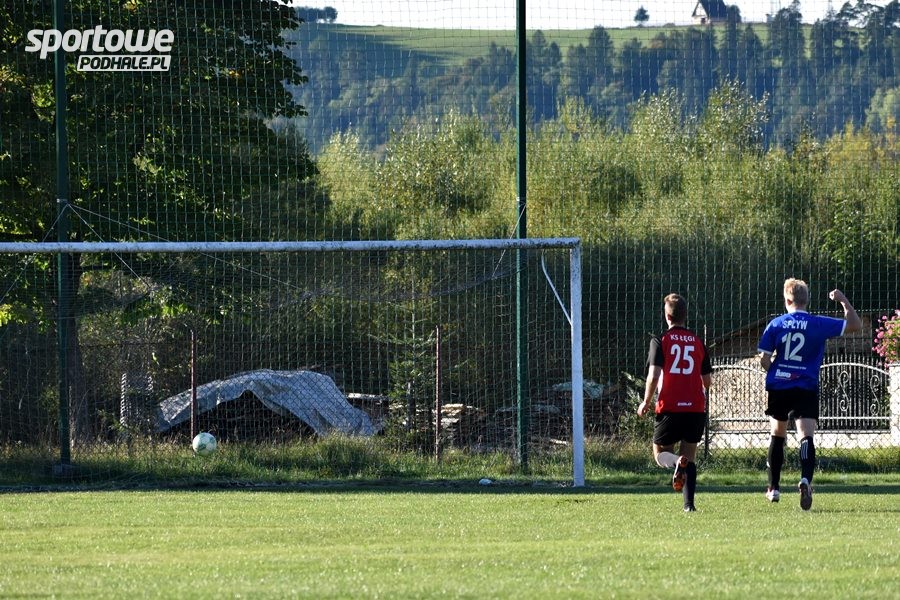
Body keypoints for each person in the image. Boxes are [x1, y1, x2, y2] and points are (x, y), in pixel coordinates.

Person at [757, 279, 861, 510]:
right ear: (807, 300)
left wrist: (776, 372)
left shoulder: (776, 324)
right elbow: (855, 325)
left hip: (779, 386)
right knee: (806, 436)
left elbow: (764, 359)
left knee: (777, 434)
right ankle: (805, 480)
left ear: (787, 300)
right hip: (805, 386)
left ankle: (773, 488)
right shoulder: (818, 323)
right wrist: (843, 301)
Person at [638, 293, 712, 512]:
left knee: (660, 454)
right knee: (690, 457)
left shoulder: (660, 340)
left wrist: (646, 401)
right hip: (695, 408)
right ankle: (689, 505)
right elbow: (707, 382)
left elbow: (653, 375)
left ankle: (676, 462)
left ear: (667, 316)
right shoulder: (698, 342)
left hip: (670, 406)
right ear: (685, 315)